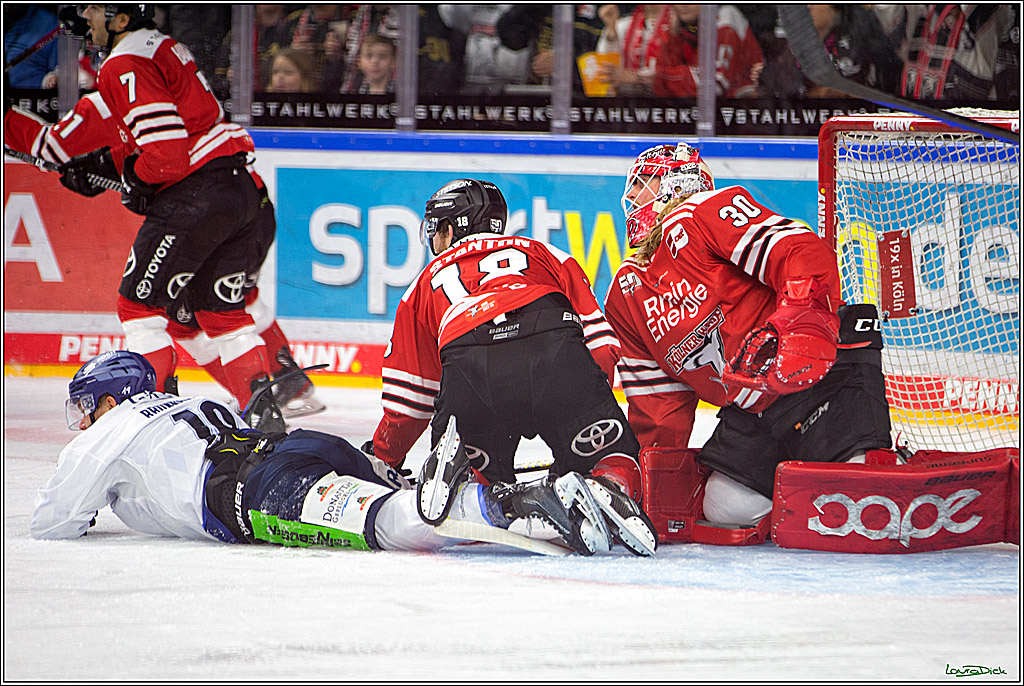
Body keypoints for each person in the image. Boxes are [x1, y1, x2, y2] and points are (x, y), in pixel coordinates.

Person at [2, 5, 321, 426]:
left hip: (196, 199)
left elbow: (165, 157)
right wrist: (104, 169)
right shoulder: (162, 51)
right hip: (244, 192)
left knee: (140, 310)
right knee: (215, 312)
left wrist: (130, 176)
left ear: (120, 19)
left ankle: (154, 417)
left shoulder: (123, 66)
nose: (85, 14)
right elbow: (78, 145)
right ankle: (267, 415)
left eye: (94, 8)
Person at [32, 350, 623, 557]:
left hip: (255, 494)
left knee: (387, 527)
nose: (81, 422)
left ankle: (508, 506)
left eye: (87, 407)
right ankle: (466, 489)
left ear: (110, 400)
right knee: (401, 493)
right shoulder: (184, 406)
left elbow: (53, 521)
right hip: (296, 446)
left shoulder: (107, 432)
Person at [603, 143, 893, 526]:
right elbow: (659, 409)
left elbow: (799, 250)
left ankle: (877, 469)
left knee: (860, 483)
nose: (634, 197)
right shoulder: (626, 292)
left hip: (821, 377)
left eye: (645, 183)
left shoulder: (701, 213)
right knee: (723, 508)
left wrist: (800, 322)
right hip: (752, 413)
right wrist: (649, 478)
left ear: (677, 183)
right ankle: (813, 494)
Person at [368, 178, 657, 556]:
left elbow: (409, 401)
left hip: (469, 358)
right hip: (552, 342)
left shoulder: (426, 280)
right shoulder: (546, 252)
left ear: (452, 229)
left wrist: (383, 457)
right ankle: (608, 485)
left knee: (472, 493)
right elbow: (602, 345)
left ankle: (489, 493)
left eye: (436, 230)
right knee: (613, 452)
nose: (434, 241)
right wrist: (584, 403)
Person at [873, 4, 1019, 101]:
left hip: (969, 138)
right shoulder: (917, 10)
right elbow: (885, 10)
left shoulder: (991, 11)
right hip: (914, 131)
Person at [758, 4, 900, 99]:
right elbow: (772, 96)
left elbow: (884, 84)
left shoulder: (861, 36)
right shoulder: (782, 49)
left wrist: (841, 91)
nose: (807, 6)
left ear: (834, 7)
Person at [653, 5, 763, 98]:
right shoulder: (685, 25)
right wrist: (673, 36)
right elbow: (663, 80)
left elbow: (714, 85)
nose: (684, 4)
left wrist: (658, 78)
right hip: (701, 110)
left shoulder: (726, 17)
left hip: (743, 110)